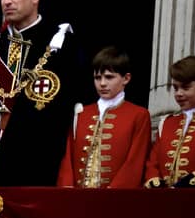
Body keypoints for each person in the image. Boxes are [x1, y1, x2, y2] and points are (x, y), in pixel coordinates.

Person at [0, 0, 84, 186]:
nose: (7, 1)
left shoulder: (60, 44)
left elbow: (57, 111)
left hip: (36, 165)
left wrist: (6, 150)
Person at [57, 46, 151, 188]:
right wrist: (67, 191)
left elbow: (134, 162)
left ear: (126, 78)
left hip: (115, 200)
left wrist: (114, 194)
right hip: (77, 198)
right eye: (97, 77)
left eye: (109, 77)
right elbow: (68, 159)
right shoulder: (82, 113)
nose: (102, 83)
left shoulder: (139, 115)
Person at [144, 55, 195, 188]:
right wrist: (155, 181)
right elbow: (153, 162)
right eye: (175, 88)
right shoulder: (166, 124)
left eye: (185, 87)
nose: (178, 93)